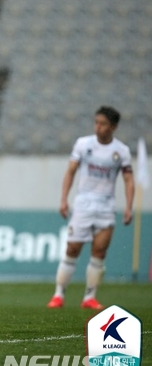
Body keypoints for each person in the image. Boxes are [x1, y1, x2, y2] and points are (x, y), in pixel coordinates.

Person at [47, 106, 134, 310]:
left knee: (99, 252)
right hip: (83, 205)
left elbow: (128, 179)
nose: (98, 127)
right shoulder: (83, 144)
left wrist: (129, 207)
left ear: (113, 127)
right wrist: (63, 199)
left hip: (106, 207)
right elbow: (70, 171)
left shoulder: (121, 151)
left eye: (103, 124)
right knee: (72, 248)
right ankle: (58, 294)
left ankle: (89, 297)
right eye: (96, 122)